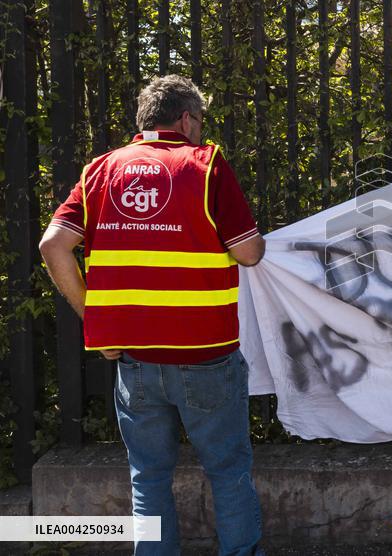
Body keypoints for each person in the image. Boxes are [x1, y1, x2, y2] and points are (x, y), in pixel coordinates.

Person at [39, 75, 266, 555]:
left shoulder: (99, 169)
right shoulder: (205, 165)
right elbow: (247, 254)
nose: (201, 131)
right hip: (207, 354)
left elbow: (53, 245)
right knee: (228, 473)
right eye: (199, 122)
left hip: (135, 359)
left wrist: (92, 315)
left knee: (149, 479)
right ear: (186, 119)